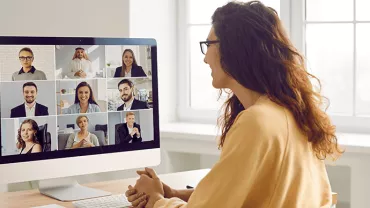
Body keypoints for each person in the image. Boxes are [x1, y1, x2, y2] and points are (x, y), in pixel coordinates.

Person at [125, 1, 343, 208]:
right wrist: (172, 194)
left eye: (208, 45)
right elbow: (243, 193)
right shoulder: (292, 111)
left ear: (234, 48)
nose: (205, 58)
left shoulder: (256, 122)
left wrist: (155, 199)